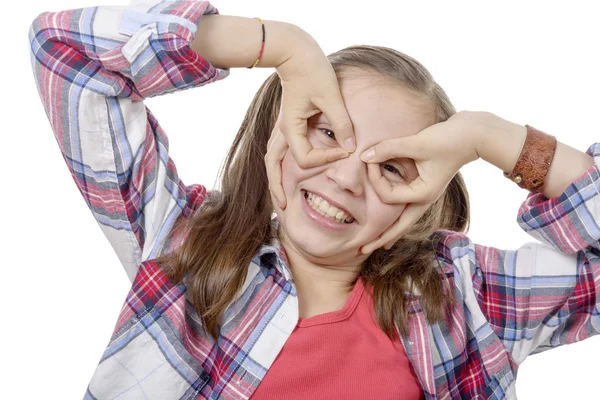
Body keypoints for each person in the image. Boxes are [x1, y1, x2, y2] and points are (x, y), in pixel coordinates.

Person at [28, 0, 599, 399]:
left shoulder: (464, 297)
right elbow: (64, 51)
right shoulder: (181, 242)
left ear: (422, 199)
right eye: (328, 132)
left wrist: (496, 139)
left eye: (391, 166)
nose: (347, 178)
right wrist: (280, 47)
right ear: (281, 132)